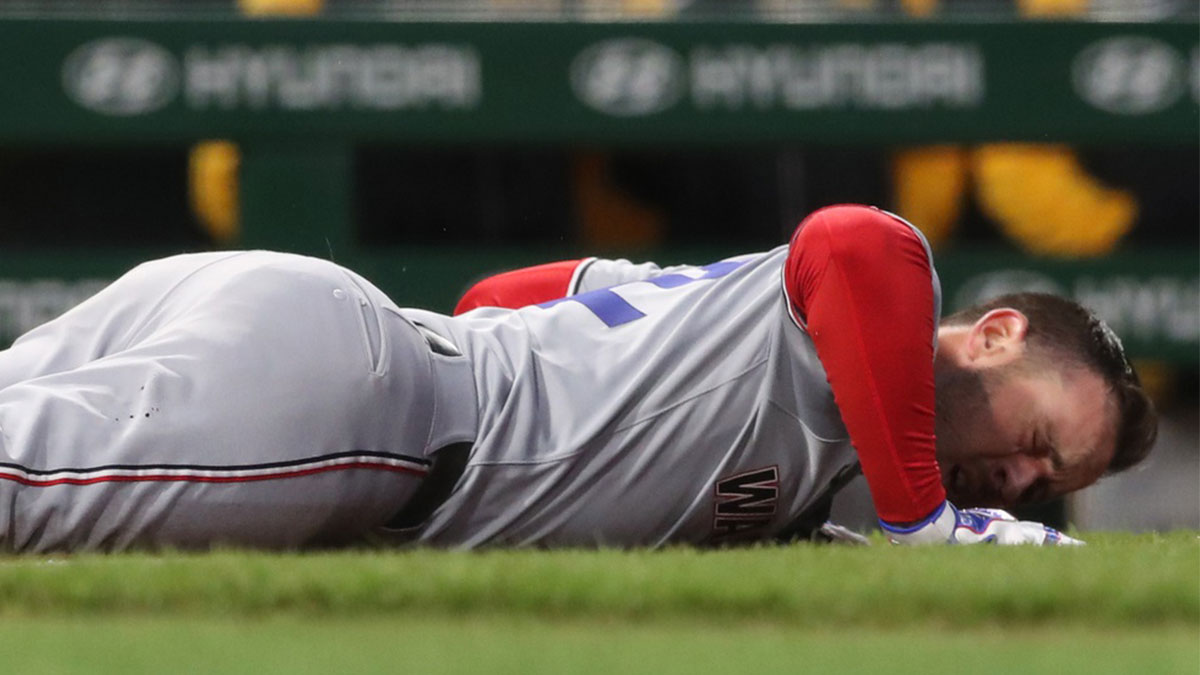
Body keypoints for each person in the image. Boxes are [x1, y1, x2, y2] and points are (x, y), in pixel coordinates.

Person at [0, 205, 1155, 552]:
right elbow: (861, 240)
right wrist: (924, 523)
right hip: (366, 419)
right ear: (996, 334)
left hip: (322, 334)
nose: (1019, 477)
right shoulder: (876, 296)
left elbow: (501, 297)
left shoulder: (738, 321)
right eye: (1045, 438)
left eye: (1045, 480)